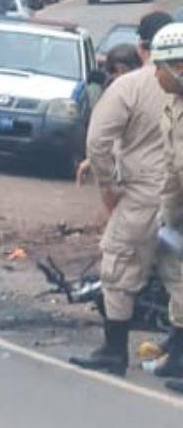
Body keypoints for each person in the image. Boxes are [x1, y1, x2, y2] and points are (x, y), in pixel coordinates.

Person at [70, 11, 173, 376]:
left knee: (118, 270)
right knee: (178, 275)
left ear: (144, 47)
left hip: (140, 196)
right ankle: (176, 357)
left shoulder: (130, 87)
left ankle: (114, 352)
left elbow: (98, 140)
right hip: (177, 199)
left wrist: (109, 186)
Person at [148, 23, 183, 388]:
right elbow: (173, 171)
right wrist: (168, 217)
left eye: (160, 67)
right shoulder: (173, 106)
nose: (155, 75)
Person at [75, 43, 144, 186]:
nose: (119, 77)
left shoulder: (141, 95)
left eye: (124, 71)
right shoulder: (111, 94)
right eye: (114, 71)